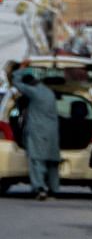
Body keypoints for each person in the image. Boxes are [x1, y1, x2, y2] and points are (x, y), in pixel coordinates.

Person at [11, 72, 61, 200]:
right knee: (52, 163)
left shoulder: (34, 92)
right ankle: (54, 190)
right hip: (52, 133)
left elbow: (16, 83)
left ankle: (40, 188)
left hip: (38, 132)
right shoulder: (49, 93)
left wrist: (20, 70)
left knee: (37, 160)